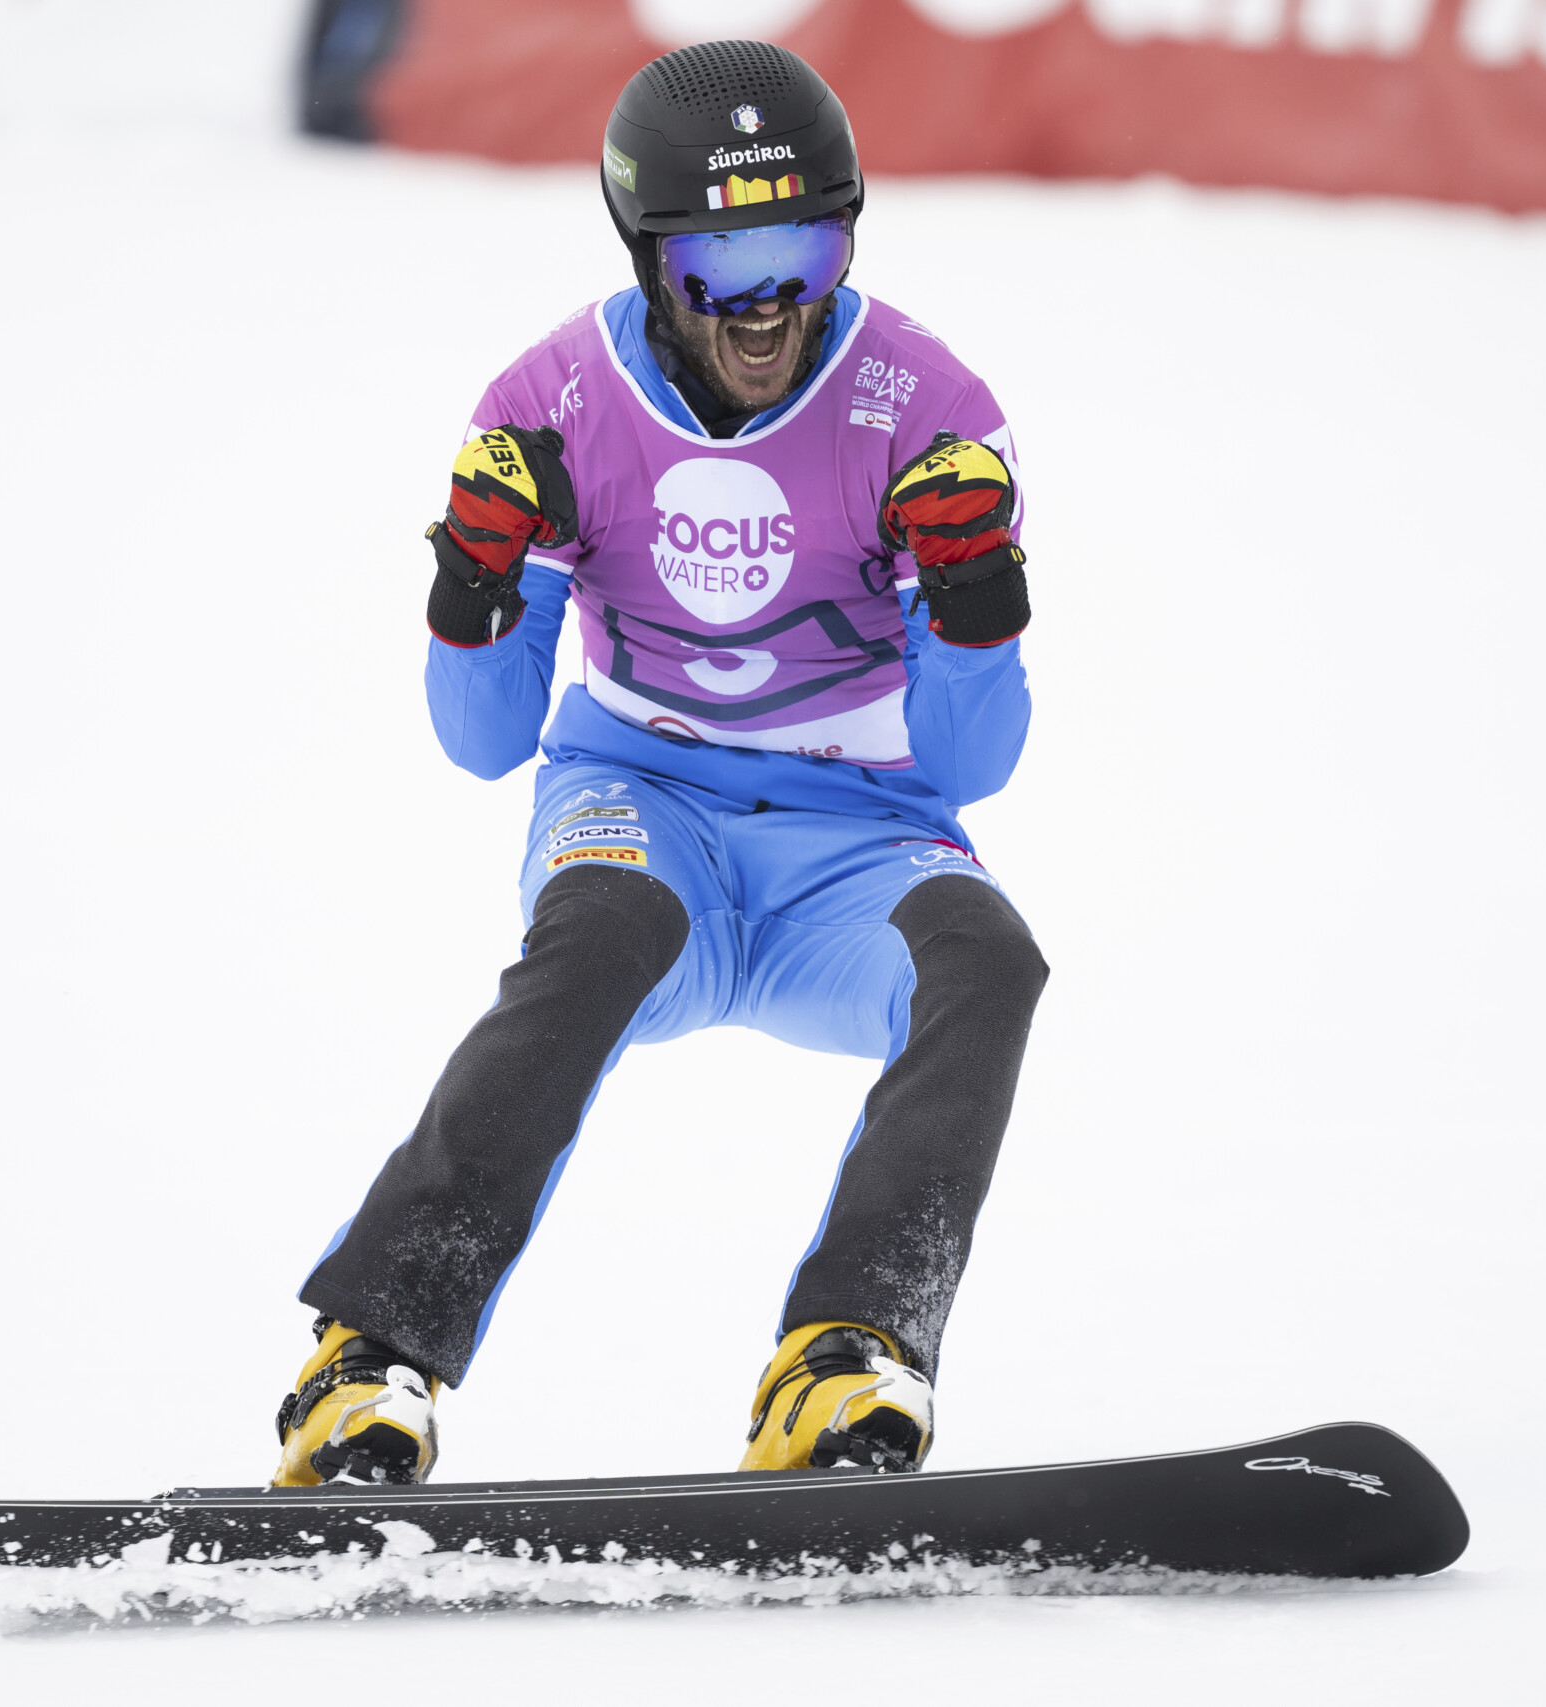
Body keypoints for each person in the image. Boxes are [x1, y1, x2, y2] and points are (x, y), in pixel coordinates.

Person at [273, 40, 1046, 1487]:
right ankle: (368, 1361)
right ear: (647, 255)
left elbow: (968, 762)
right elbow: (486, 742)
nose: (766, 305)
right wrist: (475, 585)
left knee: (989, 962)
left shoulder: (929, 409)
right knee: (599, 934)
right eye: (720, 263)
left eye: (804, 248)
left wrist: (979, 602)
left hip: (860, 840)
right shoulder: (551, 404)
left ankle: (850, 1353)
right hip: (645, 801)